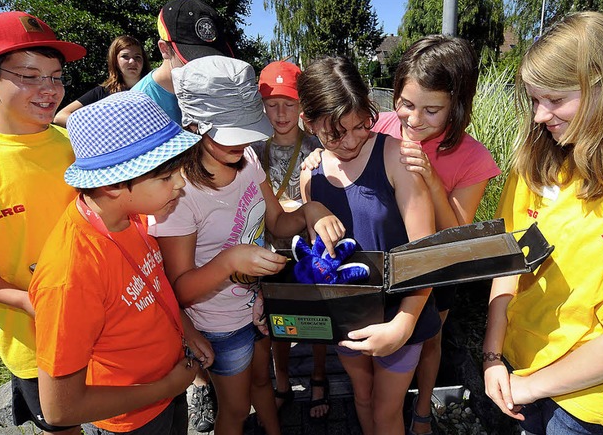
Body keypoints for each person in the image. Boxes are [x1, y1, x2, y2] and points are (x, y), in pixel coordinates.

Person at [150, 55, 345, 435]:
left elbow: (277, 222)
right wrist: (229, 262)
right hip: (219, 324)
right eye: (229, 134)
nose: (241, 143)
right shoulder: (178, 194)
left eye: (246, 130)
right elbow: (180, 290)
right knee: (236, 410)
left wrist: (311, 211)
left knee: (264, 385)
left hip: (257, 304)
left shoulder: (249, 159)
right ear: (194, 126)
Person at [28, 90, 209, 434]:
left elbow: (149, 281)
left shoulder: (134, 214)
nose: (181, 184)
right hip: (130, 422)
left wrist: (186, 328)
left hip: (168, 390)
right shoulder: (70, 275)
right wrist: (168, 387)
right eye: (166, 177)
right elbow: (59, 408)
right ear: (112, 184)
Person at [483, 11, 603, 434]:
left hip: (588, 402)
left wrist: (531, 387)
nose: (540, 116)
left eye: (555, 100)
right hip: (518, 367)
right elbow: (507, 261)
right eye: (534, 100)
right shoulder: (535, 164)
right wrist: (492, 357)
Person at [298, 56, 441, 435]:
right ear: (308, 123)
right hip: (350, 318)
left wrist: (404, 324)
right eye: (334, 133)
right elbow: (320, 257)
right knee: (361, 397)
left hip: (401, 312)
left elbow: (426, 250)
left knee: (386, 411)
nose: (350, 141)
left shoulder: (395, 155)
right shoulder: (310, 174)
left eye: (361, 125)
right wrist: (310, 207)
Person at [372, 35, 501, 435]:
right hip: (382, 259)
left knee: (430, 338)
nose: (412, 119)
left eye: (432, 110)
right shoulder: (381, 126)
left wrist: (429, 180)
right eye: (406, 104)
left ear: (457, 107)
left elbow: (458, 235)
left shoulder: (474, 157)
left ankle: (423, 408)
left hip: (438, 268)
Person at [0, 11, 86, 435]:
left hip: (104, 318)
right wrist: (25, 301)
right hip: (33, 340)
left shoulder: (75, 144)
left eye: (56, 77)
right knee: (64, 425)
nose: (48, 91)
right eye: (29, 75)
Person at [133, 0, 233, 432]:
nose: (200, 69)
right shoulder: (142, 106)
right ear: (163, 49)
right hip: (158, 231)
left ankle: (205, 379)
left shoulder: (210, 86)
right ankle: (198, 386)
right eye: (190, 58)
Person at [251, 60, 331, 419]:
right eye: (272, 104)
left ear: (302, 105)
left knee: (317, 318)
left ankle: (317, 375)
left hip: (310, 253)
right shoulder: (253, 151)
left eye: (289, 103)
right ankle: (281, 379)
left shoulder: (318, 147)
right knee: (278, 321)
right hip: (272, 254)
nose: (281, 113)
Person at [132, 0, 233, 125]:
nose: (206, 68)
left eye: (212, 58)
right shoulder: (138, 106)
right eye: (194, 58)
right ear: (164, 49)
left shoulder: (212, 90)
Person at [53, 35, 151, 126]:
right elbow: (60, 117)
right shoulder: (103, 92)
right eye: (125, 56)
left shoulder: (154, 88)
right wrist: (99, 127)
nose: (132, 61)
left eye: (137, 57)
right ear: (115, 61)